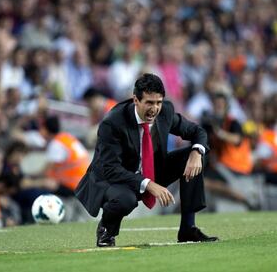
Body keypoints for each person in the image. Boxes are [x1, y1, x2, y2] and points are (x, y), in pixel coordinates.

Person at [75, 73, 218, 247]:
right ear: (136, 100)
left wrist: (197, 153)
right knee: (126, 200)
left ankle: (188, 228)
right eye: (149, 102)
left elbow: (198, 132)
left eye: (158, 102)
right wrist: (149, 184)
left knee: (193, 155)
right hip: (111, 179)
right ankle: (106, 230)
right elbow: (111, 169)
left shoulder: (165, 111)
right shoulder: (113, 122)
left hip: (149, 171)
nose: (155, 108)